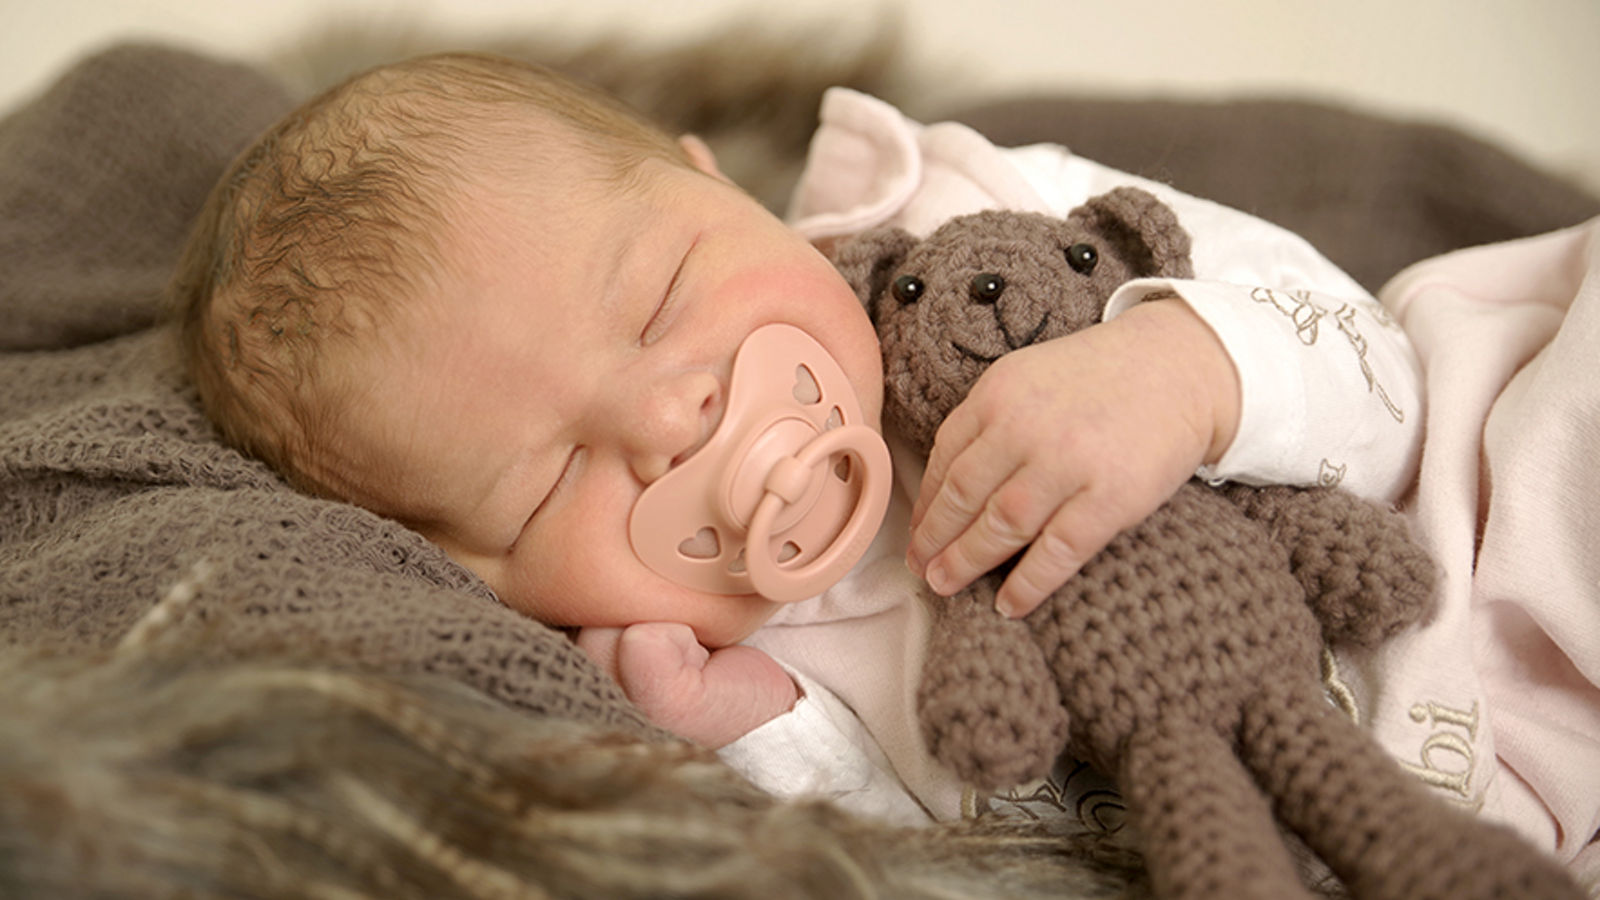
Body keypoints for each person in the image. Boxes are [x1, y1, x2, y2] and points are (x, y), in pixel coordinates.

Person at [173, 53, 1421, 827]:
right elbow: (966, 826)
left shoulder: (977, 211)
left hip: (1481, 528)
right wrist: (752, 724)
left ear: (717, 185)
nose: (669, 420)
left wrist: (1182, 370)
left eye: (661, 299)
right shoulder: (702, 649)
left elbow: (1379, 366)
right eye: (554, 478)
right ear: (482, 578)